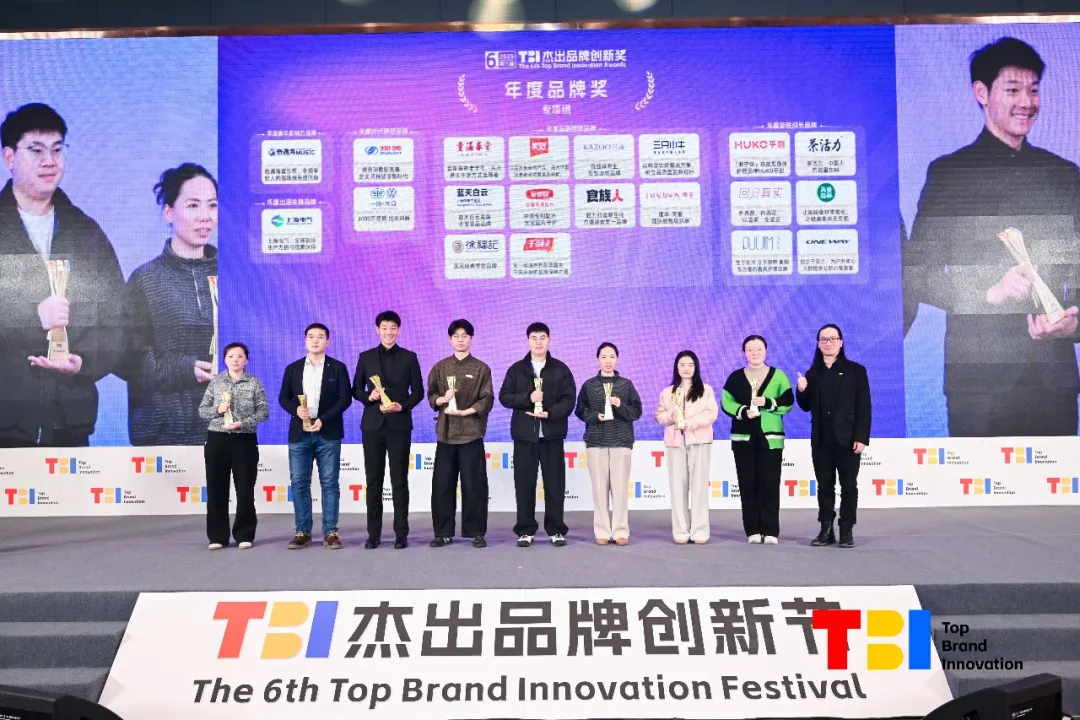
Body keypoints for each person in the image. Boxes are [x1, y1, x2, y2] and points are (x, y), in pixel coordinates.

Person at [903, 37, 1080, 437]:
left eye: (1034, 90)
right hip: (978, 385)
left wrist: (1072, 324)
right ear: (981, 93)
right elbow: (919, 274)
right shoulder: (949, 174)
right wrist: (989, 292)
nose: (1027, 102)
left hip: (1053, 384)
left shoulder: (1064, 175)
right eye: (1013, 90)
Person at [0, 103, 124, 447]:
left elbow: (119, 321)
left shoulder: (86, 232)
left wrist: (83, 362)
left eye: (57, 149)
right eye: (36, 150)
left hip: (70, 424)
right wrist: (31, 318)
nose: (49, 161)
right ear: (9, 157)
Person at [120, 163, 219, 445]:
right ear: (168, 213)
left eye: (212, 205)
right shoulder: (145, 279)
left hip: (225, 433)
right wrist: (182, 368)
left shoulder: (235, 276)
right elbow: (127, 359)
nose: (205, 216)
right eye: (193, 205)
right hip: (163, 440)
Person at [498, 322, 576, 547]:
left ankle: (556, 529)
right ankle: (525, 530)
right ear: (527, 341)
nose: (539, 342)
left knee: (555, 484)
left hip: (552, 436)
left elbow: (569, 400)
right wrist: (527, 398)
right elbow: (504, 397)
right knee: (524, 484)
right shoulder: (516, 369)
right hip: (525, 436)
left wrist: (550, 413)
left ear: (549, 340)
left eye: (543, 337)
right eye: (534, 338)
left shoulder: (561, 369)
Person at [795, 324, 871, 549]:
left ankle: (846, 528)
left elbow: (864, 407)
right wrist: (801, 390)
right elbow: (806, 406)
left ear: (841, 342)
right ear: (818, 344)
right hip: (821, 439)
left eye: (832, 339)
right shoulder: (813, 373)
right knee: (824, 486)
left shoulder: (856, 371)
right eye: (824, 340)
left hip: (848, 440)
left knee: (849, 486)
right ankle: (826, 529)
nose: (828, 343)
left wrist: (861, 437)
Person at [353, 311, 424, 549]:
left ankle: (401, 533)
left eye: (393, 328)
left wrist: (401, 406)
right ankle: (373, 534)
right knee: (373, 481)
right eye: (384, 328)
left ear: (399, 330)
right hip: (372, 426)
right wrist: (369, 396)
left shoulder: (409, 357)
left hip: (399, 425)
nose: (388, 332)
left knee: (399, 481)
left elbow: (418, 392)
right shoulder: (365, 357)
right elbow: (356, 389)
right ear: (377, 330)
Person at [278, 323, 353, 550]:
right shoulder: (293, 368)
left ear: (327, 342)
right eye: (311, 336)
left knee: (329, 483)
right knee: (299, 483)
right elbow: (283, 398)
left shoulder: (337, 367)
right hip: (299, 433)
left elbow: (345, 399)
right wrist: (296, 410)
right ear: (305, 341)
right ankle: (303, 532)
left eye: (320, 337)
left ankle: (331, 532)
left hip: (327, 432)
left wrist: (324, 418)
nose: (315, 340)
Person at [426, 319, 494, 548]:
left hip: (471, 434)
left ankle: (476, 531)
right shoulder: (440, 367)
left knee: (474, 485)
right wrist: (442, 399)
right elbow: (431, 395)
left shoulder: (481, 368)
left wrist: (468, 411)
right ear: (450, 339)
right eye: (456, 336)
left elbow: (487, 398)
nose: (460, 340)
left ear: (471, 339)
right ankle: (443, 532)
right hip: (445, 435)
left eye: (465, 336)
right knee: (442, 486)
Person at [720, 335, 794, 545]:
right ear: (744, 352)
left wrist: (769, 403)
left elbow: (788, 402)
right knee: (747, 484)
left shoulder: (778, 376)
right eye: (750, 349)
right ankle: (752, 529)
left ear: (766, 350)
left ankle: (770, 530)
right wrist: (743, 411)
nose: (755, 353)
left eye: (759, 349)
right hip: (743, 438)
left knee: (770, 484)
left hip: (771, 439)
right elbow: (726, 402)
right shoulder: (735, 377)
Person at [197, 342, 270, 550]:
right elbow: (202, 411)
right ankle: (217, 536)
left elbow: (263, 412)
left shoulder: (254, 382)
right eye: (231, 356)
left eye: (239, 356)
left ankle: (244, 534)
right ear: (224, 360)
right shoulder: (216, 382)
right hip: (217, 438)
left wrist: (242, 423)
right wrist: (218, 410)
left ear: (246, 360)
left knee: (245, 488)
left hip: (244, 439)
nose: (235, 360)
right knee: (216, 488)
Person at [573, 342, 643, 546]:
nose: (608, 361)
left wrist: (620, 405)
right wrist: (595, 416)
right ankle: (602, 531)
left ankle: (621, 531)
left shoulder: (626, 385)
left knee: (620, 490)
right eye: (604, 357)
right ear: (598, 360)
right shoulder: (589, 385)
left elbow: (637, 411)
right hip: (596, 441)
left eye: (612, 356)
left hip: (621, 441)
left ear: (617, 359)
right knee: (599, 490)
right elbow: (580, 410)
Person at [654, 350, 718, 545]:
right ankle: (680, 531)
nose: (686, 368)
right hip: (676, 444)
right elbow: (659, 415)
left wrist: (689, 423)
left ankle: (700, 531)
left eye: (690, 365)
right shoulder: (667, 392)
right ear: (676, 367)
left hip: (699, 442)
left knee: (699, 487)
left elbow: (711, 414)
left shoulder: (706, 390)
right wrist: (671, 416)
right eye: (682, 365)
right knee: (677, 487)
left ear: (696, 367)